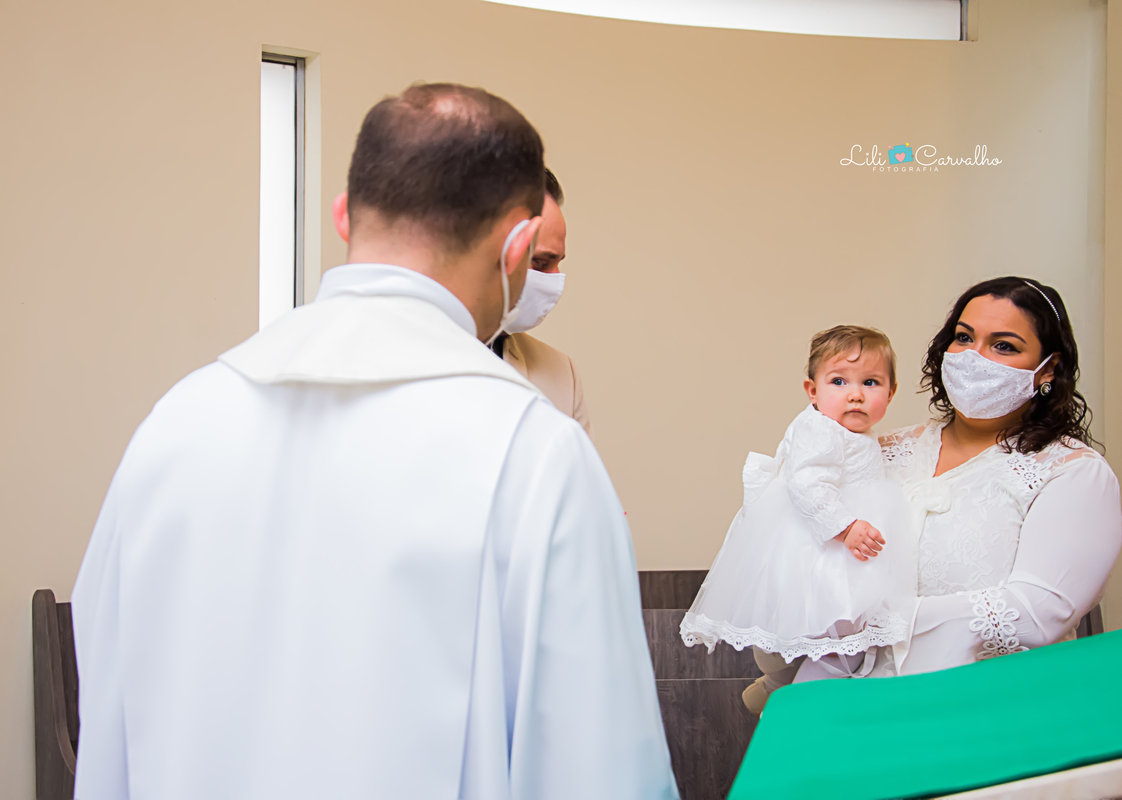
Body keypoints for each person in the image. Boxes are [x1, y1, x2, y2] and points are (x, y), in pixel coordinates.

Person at [70, 82, 678, 800]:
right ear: (517, 244)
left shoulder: (174, 423)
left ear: (342, 216)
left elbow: (106, 728)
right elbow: (598, 769)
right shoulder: (534, 454)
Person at [795, 276, 1122, 681]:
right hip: (852, 698)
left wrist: (882, 620)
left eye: (1003, 345)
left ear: (1047, 370)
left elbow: (1039, 613)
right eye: (964, 338)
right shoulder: (881, 451)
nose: (974, 357)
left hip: (992, 706)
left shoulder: (1073, 474)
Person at [680, 326, 915, 713]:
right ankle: (797, 706)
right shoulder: (818, 428)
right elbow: (805, 483)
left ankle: (778, 690)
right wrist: (846, 527)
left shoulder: (855, 430)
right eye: (839, 381)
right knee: (836, 629)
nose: (855, 394)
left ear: (890, 393)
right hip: (822, 541)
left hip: (847, 538)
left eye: (871, 383)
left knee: (846, 630)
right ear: (813, 391)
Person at [490, 168, 591, 437]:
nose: (555, 280)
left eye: (558, 263)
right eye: (540, 263)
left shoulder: (561, 374)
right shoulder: (393, 351)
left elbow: (577, 478)